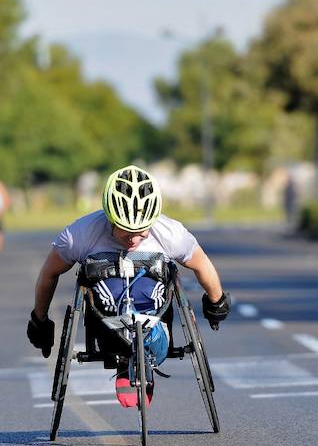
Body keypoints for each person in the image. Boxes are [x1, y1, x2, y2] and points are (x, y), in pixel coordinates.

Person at [27, 165, 231, 407]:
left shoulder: (171, 233)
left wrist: (216, 302)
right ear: (109, 218)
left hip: (154, 319)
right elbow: (49, 274)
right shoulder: (80, 234)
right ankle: (127, 358)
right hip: (107, 324)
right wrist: (39, 321)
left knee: (151, 292)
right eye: (126, 231)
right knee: (105, 290)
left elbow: (201, 264)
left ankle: (146, 350)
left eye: (141, 231)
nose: (134, 238)